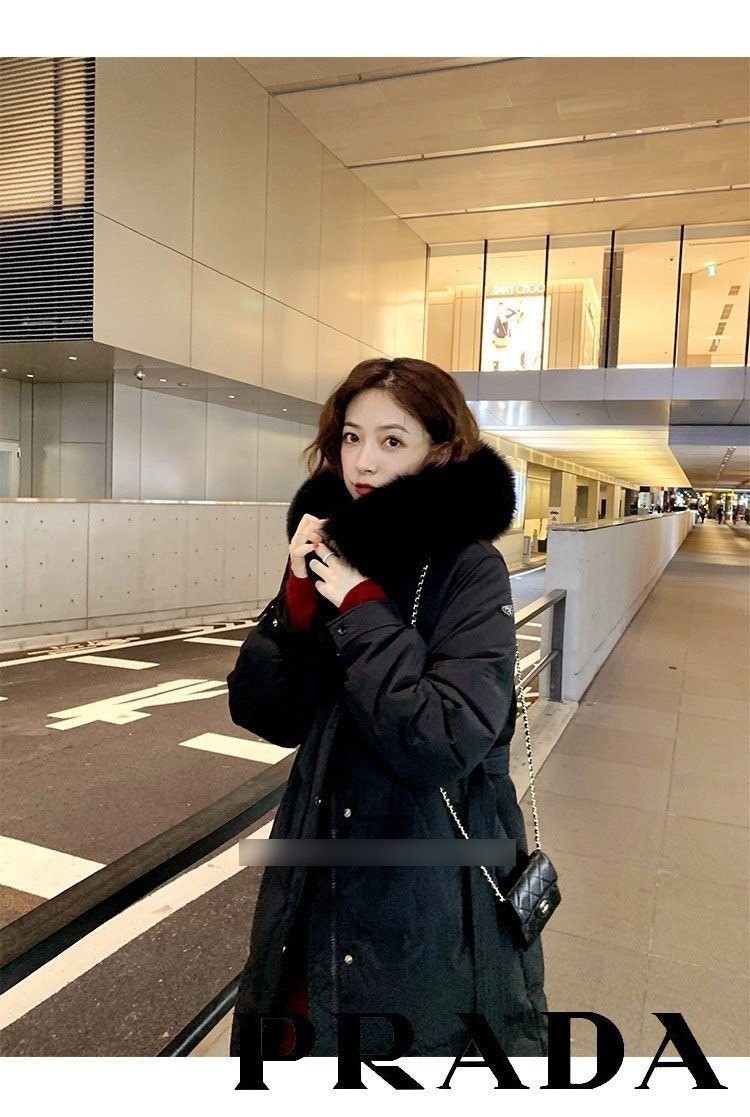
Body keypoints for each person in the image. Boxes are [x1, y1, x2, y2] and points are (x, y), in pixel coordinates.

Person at [226, 357, 548, 1059]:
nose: (363, 460)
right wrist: (296, 604)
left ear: (442, 449)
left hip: (426, 894)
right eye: (351, 437)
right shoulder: (337, 553)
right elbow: (263, 712)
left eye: (392, 440)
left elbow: (443, 736)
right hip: (314, 872)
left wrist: (361, 608)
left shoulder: (469, 568)